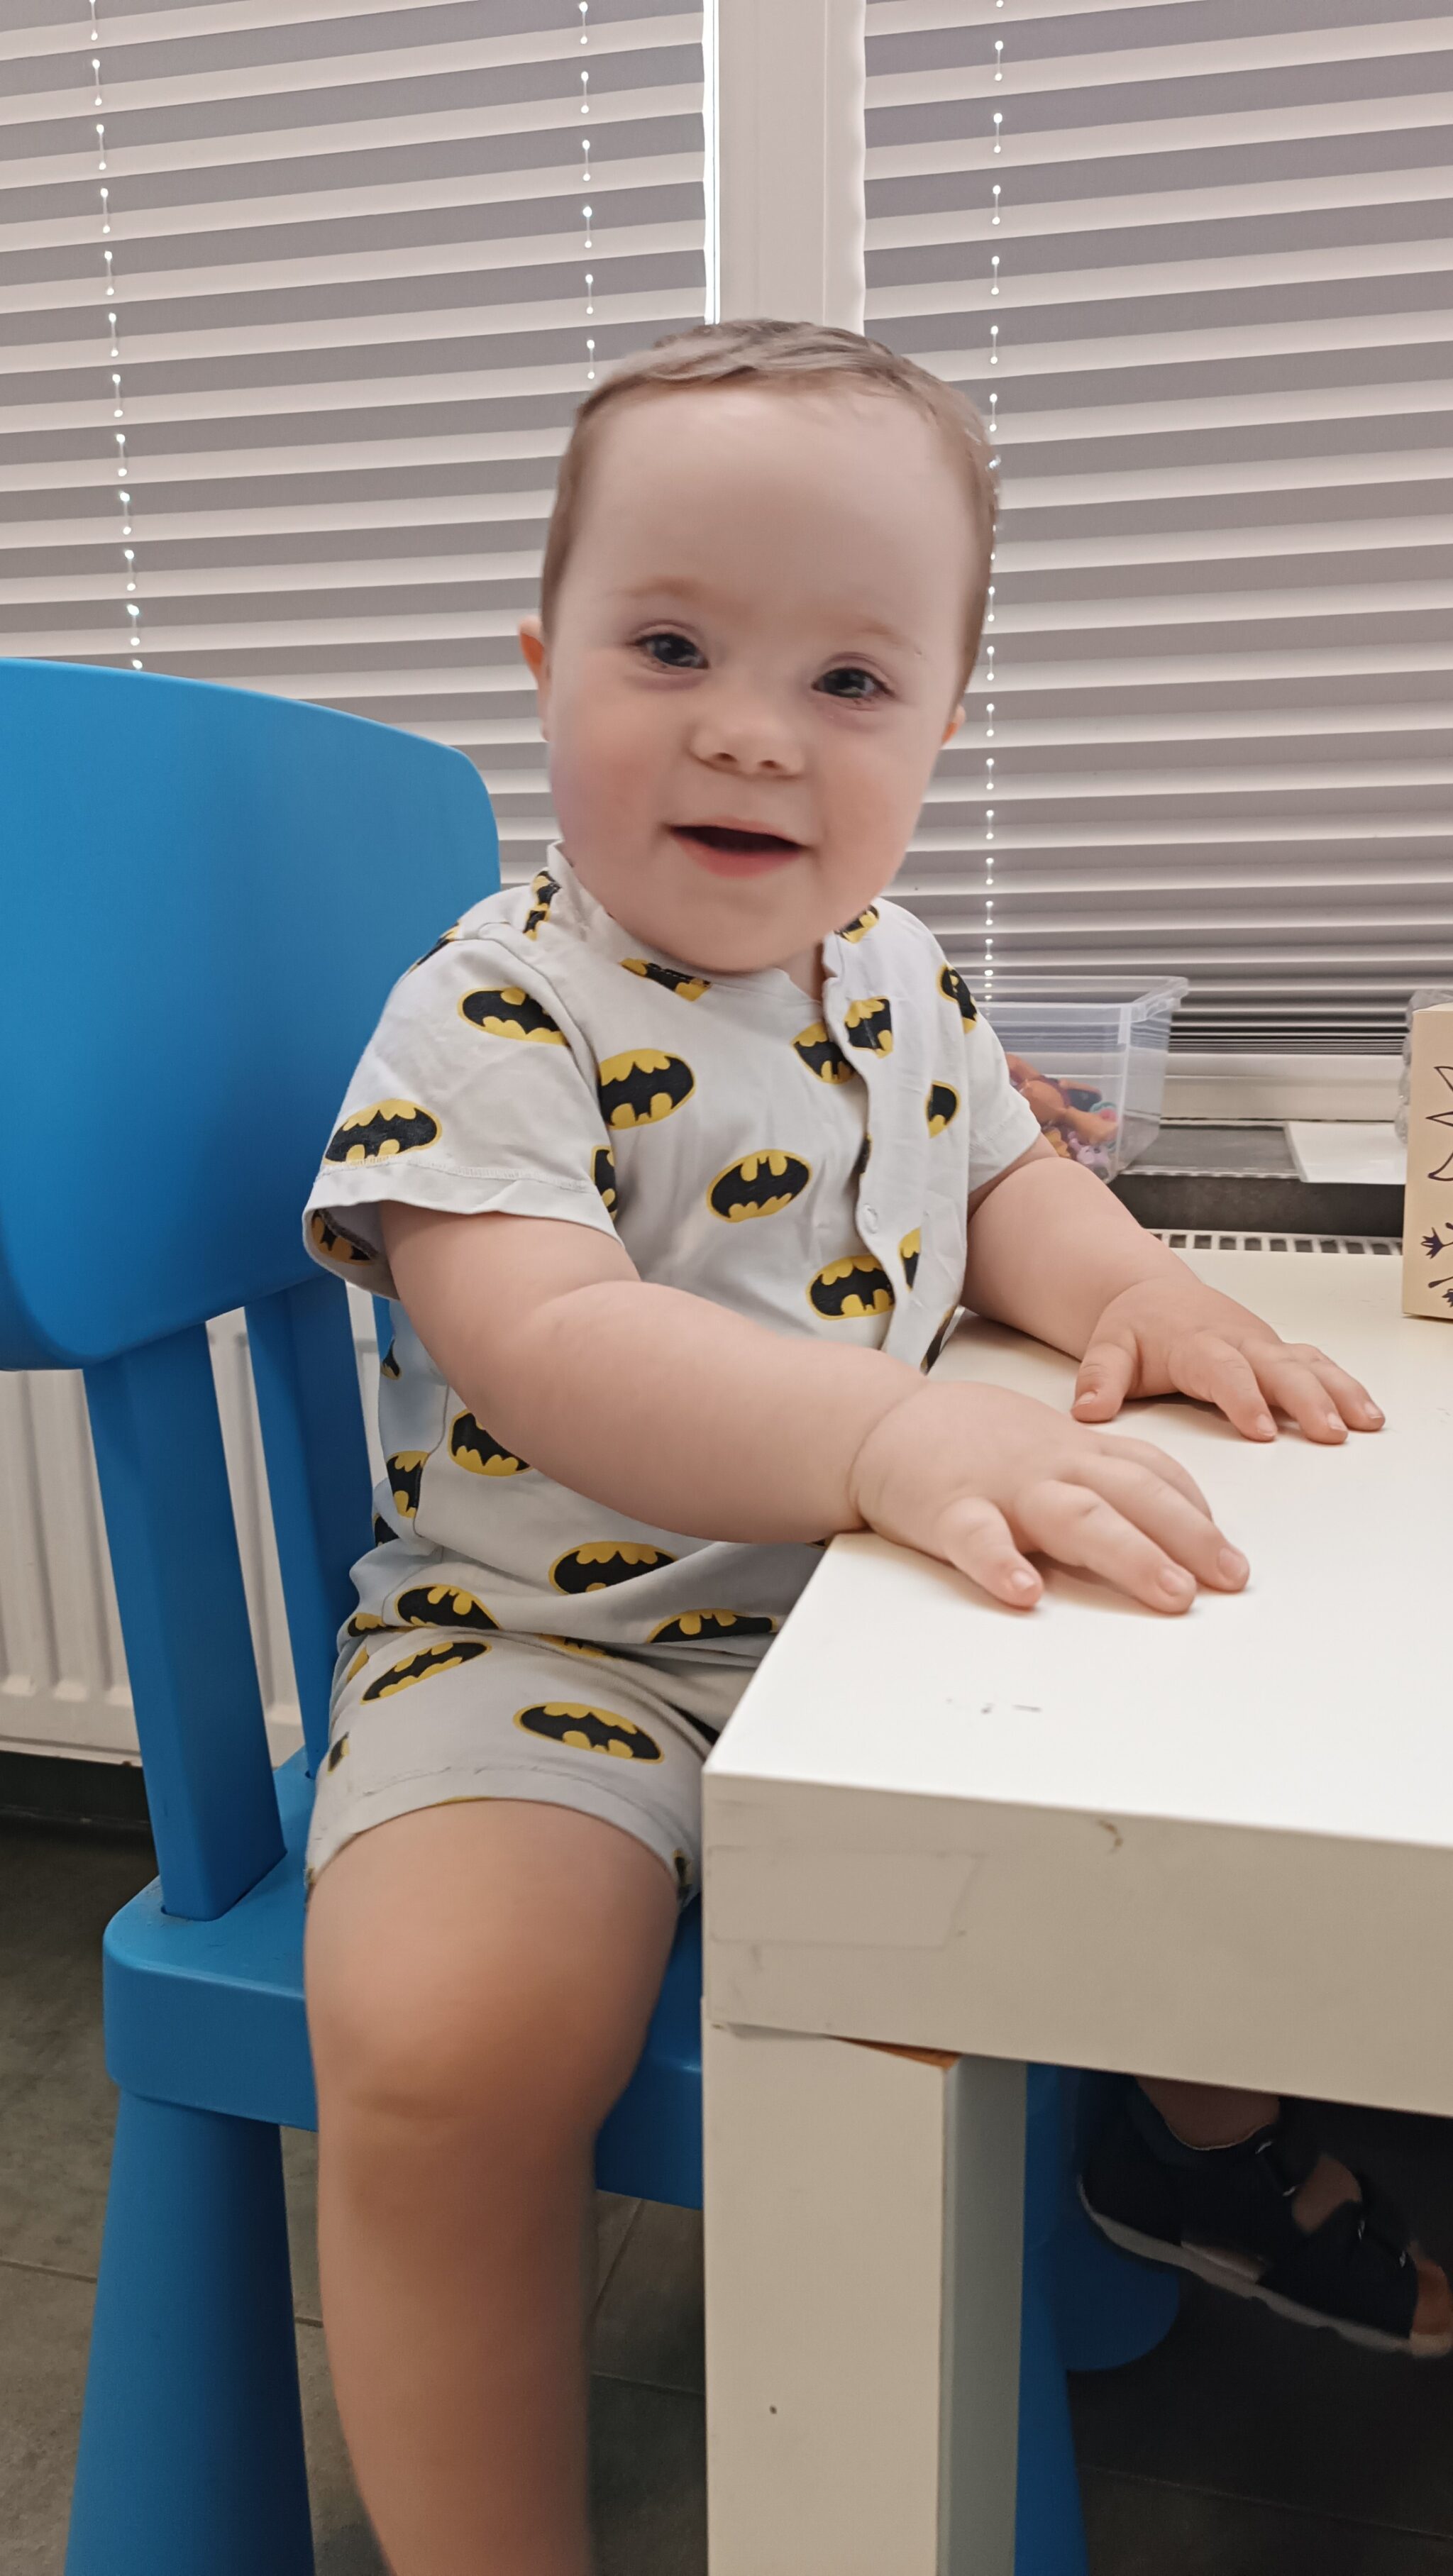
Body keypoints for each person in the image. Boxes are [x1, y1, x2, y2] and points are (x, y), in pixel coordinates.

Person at [300, 319, 1449, 2576]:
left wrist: (1137, 1291)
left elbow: (1005, 1180)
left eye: (848, 679)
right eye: (669, 646)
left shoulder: (903, 971)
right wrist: (899, 1429)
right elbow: (550, 1342)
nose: (751, 725)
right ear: (542, 668)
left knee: (1206, 1770)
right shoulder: (492, 1009)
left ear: (940, 727)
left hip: (890, 1626)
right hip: (556, 1653)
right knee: (447, 2044)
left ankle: (1192, 2147)